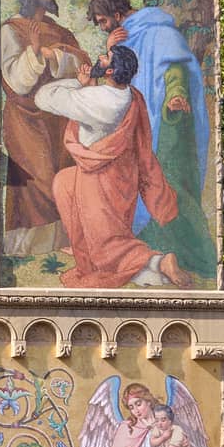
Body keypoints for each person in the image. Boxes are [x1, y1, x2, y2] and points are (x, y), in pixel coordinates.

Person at [89, 0, 215, 283]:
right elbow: (111, 73)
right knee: (144, 186)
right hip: (142, 126)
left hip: (170, 124)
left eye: (103, 21)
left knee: (171, 188)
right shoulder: (124, 36)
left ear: (117, 13)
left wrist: (175, 95)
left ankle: (196, 256)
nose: (103, 27)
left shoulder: (160, 32)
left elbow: (176, 70)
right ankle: (156, 253)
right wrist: (109, 48)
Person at [33, 39, 170, 286]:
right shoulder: (127, 94)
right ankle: (84, 247)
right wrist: (89, 87)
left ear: (109, 71)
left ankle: (156, 262)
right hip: (119, 174)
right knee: (64, 183)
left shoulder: (99, 100)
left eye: (105, 57)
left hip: (100, 177)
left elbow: (43, 98)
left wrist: (78, 84)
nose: (99, 56)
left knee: (108, 242)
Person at [0, 0, 90, 237]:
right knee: (38, 180)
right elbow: (16, 81)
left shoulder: (58, 31)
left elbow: (82, 62)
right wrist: (35, 53)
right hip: (26, 120)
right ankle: (34, 244)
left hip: (59, 118)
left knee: (65, 176)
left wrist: (53, 54)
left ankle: (67, 241)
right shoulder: (11, 30)